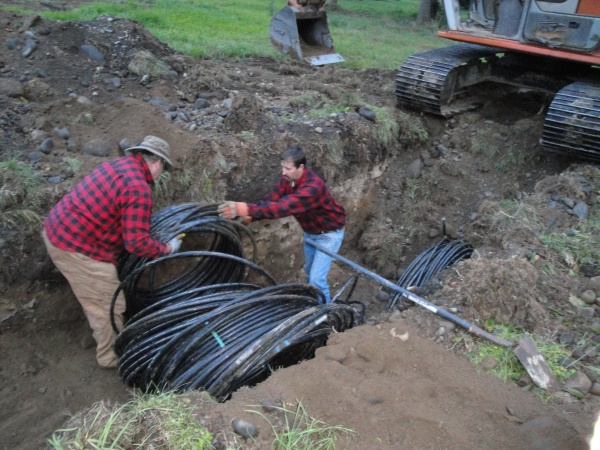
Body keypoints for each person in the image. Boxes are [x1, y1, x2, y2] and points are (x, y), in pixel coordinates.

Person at [42, 135, 183, 368]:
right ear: (157, 162)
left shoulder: (118, 165)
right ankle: (111, 358)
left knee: (103, 301)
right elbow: (137, 244)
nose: (161, 173)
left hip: (60, 230)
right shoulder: (138, 188)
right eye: (164, 168)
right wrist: (167, 248)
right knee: (109, 305)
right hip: (77, 249)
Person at [218, 145, 345, 303]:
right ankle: (314, 301)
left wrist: (245, 208)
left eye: (288, 168)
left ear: (301, 168)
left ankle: (326, 314)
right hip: (311, 233)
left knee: (316, 279)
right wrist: (252, 215)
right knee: (308, 271)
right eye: (282, 168)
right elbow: (272, 200)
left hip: (329, 235)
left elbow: (283, 207)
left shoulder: (313, 187)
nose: (283, 172)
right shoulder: (288, 181)